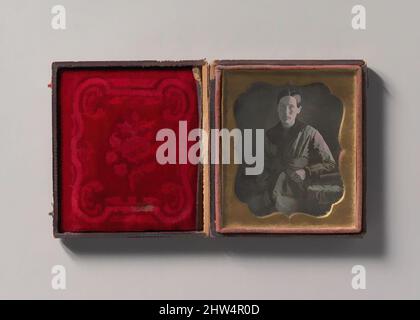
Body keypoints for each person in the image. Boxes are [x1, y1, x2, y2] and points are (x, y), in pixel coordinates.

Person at [245, 90, 338, 215]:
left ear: (299, 110)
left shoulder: (310, 133)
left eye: (291, 107)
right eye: (282, 107)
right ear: (277, 109)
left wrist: (306, 172)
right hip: (271, 191)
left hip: (298, 192)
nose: (286, 112)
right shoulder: (269, 135)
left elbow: (330, 163)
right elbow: (262, 166)